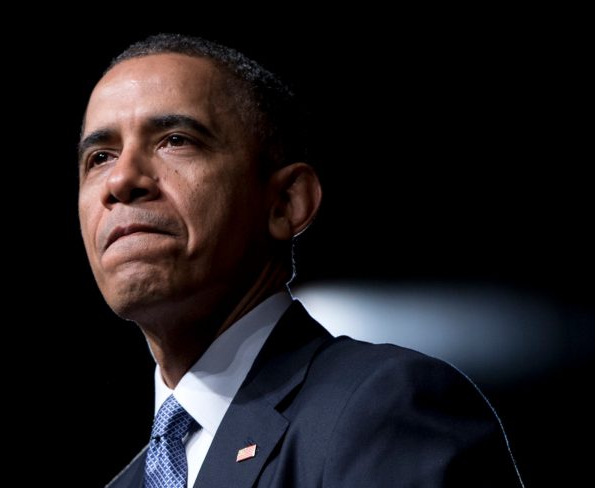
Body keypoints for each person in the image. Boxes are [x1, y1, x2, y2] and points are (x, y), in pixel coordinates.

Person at [77, 33, 523, 488]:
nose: (121, 179)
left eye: (176, 140)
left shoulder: (382, 409)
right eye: (99, 157)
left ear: (286, 203)